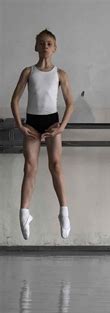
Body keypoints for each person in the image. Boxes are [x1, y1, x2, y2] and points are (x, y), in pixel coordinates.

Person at [11, 29, 74, 240]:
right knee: (29, 167)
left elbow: (70, 103)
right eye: (41, 43)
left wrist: (62, 126)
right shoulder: (28, 72)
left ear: (54, 48)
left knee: (55, 165)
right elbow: (15, 100)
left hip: (52, 122)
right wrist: (20, 125)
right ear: (35, 47)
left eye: (49, 43)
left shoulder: (61, 74)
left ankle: (64, 212)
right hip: (33, 123)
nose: (45, 46)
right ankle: (24, 213)